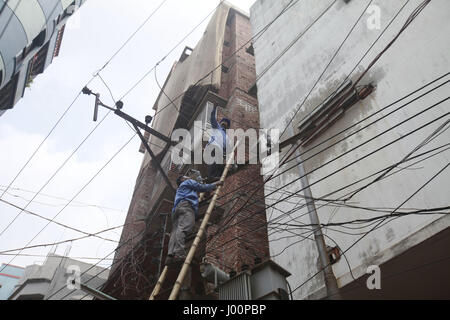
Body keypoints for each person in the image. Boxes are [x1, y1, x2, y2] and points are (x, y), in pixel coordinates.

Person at [166, 175, 223, 266]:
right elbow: (201, 187)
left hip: (177, 210)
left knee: (175, 231)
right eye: (186, 176)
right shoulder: (187, 182)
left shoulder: (181, 189)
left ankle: (170, 255)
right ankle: (179, 253)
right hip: (186, 206)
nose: (189, 177)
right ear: (182, 179)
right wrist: (215, 184)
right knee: (184, 228)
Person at [206, 105, 232, 181]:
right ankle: (210, 176)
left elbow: (227, 149)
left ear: (227, 126)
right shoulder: (216, 127)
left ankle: (214, 178)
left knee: (217, 164)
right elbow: (212, 118)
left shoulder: (227, 137)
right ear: (220, 123)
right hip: (212, 147)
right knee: (213, 162)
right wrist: (214, 107)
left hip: (219, 151)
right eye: (223, 122)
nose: (224, 123)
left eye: (226, 123)